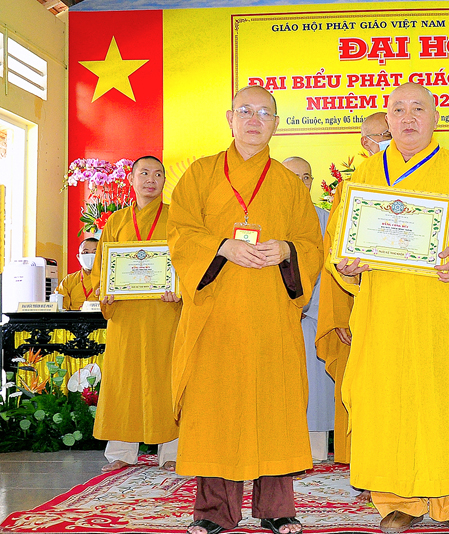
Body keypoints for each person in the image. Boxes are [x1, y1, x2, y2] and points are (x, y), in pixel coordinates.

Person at [327, 82, 449, 533]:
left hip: (442, 313)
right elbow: (339, 242)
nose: (408, 118)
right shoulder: (365, 175)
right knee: (389, 403)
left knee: (448, 403)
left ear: (435, 117)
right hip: (384, 314)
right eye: (398, 109)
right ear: (387, 119)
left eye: (418, 109)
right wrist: (346, 265)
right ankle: (398, 499)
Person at [168, 85, 323, 534]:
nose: (255, 119)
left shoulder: (289, 184)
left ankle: (276, 508)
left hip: (271, 314)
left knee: (274, 407)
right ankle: (214, 511)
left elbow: (313, 243)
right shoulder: (200, 173)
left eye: (264, 113)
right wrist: (222, 246)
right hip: (215, 314)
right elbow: (180, 232)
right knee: (215, 410)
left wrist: (287, 250)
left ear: (276, 123)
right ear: (230, 118)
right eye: (245, 111)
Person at [90, 156, 180, 472]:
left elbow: (187, 260)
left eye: (158, 174)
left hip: (164, 311)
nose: (151, 179)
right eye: (144, 173)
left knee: (166, 378)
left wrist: (179, 288)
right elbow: (102, 266)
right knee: (122, 380)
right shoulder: (116, 221)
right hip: (125, 314)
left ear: (165, 180)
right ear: (132, 179)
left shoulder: (176, 218)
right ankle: (121, 452)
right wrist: (105, 290)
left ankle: (172, 452)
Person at [316, 113, 393, 471]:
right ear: (366, 142)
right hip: (361, 305)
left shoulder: (421, 182)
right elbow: (333, 254)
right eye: (384, 134)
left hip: (408, 304)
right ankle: (364, 466)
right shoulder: (350, 188)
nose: (391, 139)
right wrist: (338, 316)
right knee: (363, 387)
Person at [283, 156, 336, 463]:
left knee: (315, 384)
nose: (300, 183)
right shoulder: (267, 216)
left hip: (315, 315)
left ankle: (316, 449)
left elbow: (331, 269)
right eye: (293, 177)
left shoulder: (327, 219)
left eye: (306, 177)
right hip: (277, 314)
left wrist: (308, 306)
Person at [56, 237, 99, 310]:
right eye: (86, 252)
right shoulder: (69, 280)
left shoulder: (109, 280)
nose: (90, 256)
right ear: (78, 257)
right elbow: (60, 308)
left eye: (95, 252)